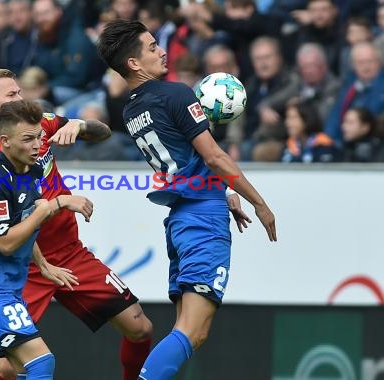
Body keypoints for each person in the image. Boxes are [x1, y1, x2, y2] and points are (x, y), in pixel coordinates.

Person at [97, 20, 277, 379]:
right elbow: (214, 157)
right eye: (151, 47)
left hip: (181, 219)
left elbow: (184, 161)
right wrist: (258, 201)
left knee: (193, 330)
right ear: (133, 64)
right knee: (191, 331)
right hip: (202, 220)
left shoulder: (132, 110)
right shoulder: (176, 94)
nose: (161, 50)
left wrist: (222, 191)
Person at [0, 69, 154, 380]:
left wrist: (77, 126)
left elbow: (102, 130)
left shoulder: (39, 122)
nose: (20, 98)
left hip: (70, 253)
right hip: (23, 267)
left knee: (139, 326)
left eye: (20, 92)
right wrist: (59, 206)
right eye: (11, 95)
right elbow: (11, 228)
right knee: (7, 366)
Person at [0, 99, 94, 379]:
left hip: (5, 284)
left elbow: (26, 223)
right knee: (41, 362)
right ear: (5, 141)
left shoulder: (27, 168)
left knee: (11, 369)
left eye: (39, 137)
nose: (36, 145)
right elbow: (5, 243)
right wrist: (55, 205)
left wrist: (43, 265)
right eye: (28, 139)